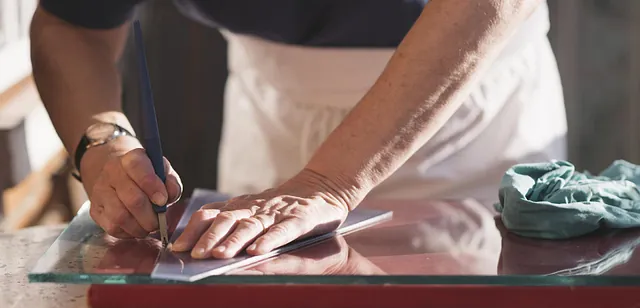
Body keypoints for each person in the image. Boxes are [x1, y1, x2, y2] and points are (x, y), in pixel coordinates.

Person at [30, 0, 567, 260]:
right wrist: (101, 144)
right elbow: (73, 23)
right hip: (268, 111)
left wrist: (328, 183)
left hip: (459, 109)